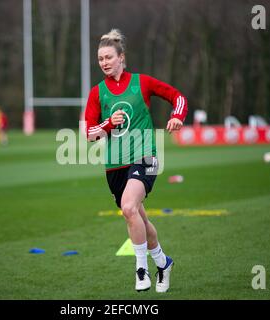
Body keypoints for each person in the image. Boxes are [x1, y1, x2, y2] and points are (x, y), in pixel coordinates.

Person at [85, 29, 188, 292]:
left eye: (108, 57)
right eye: (100, 59)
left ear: (122, 57)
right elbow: (89, 133)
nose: (104, 63)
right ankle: (163, 263)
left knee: (129, 208)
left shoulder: (142, 82)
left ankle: (141, 270)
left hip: (145, 156)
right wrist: (108, 123)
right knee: (137, 218)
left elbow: (178, 97)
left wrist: (177, 116)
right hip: (115, 166)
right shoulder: (97, 93)